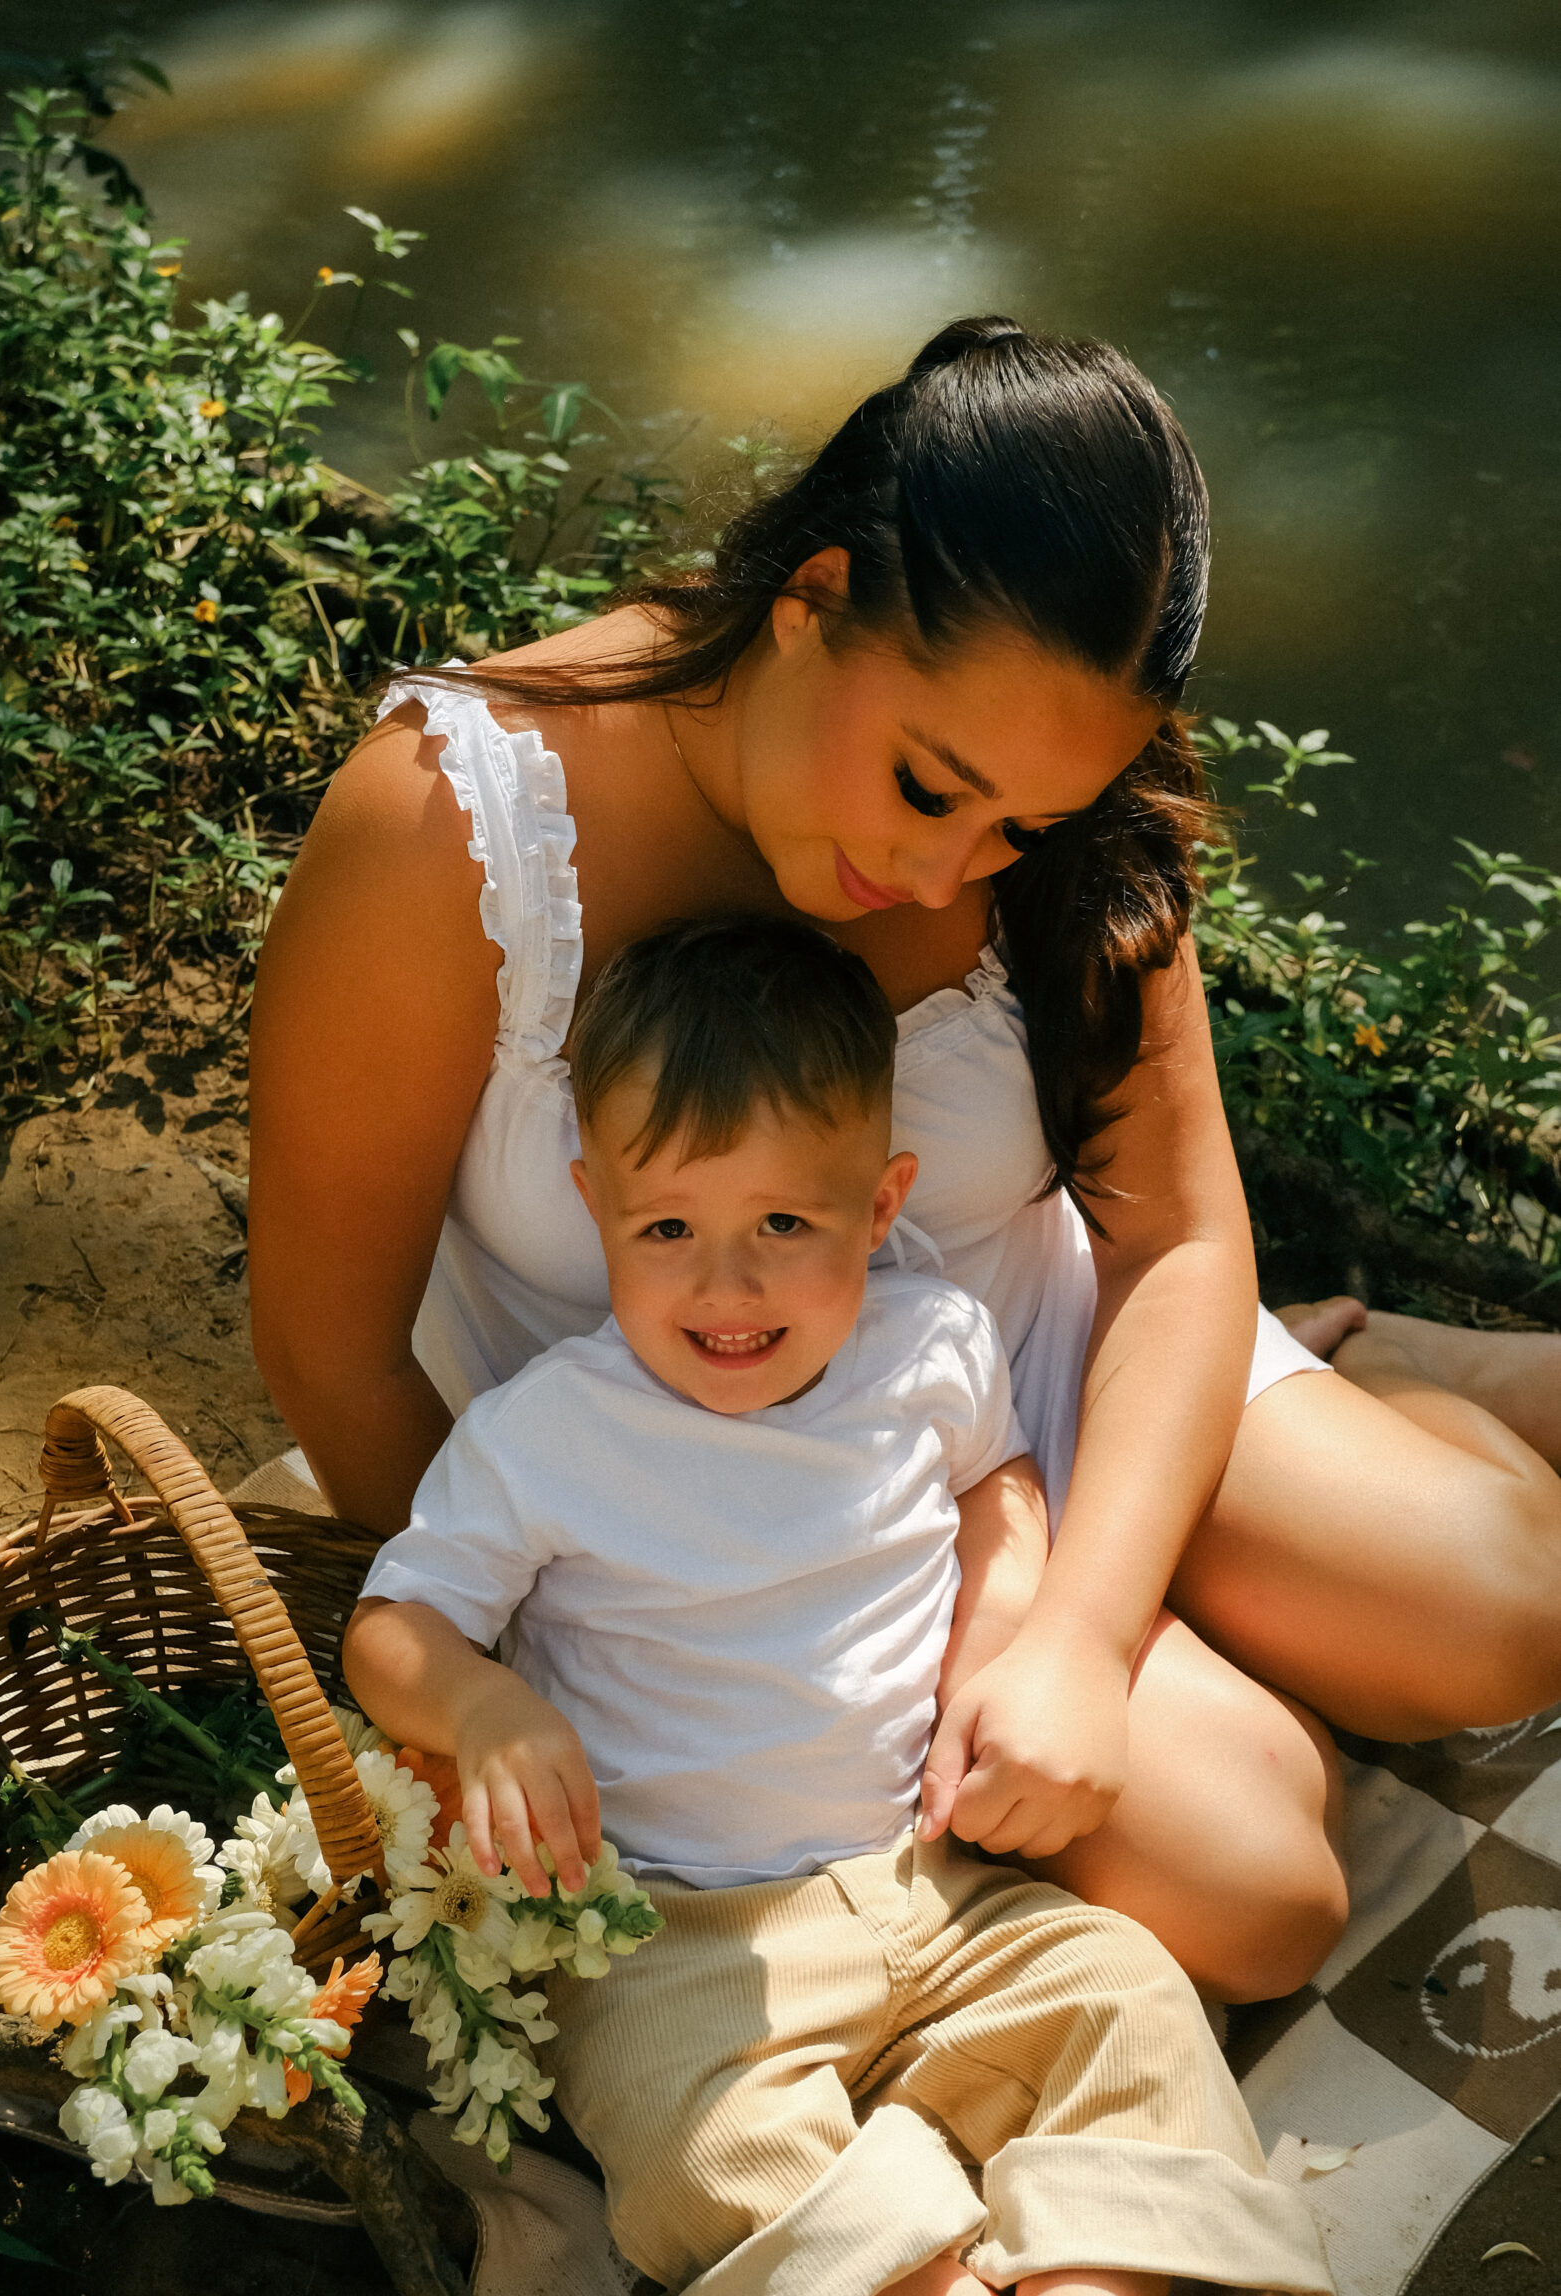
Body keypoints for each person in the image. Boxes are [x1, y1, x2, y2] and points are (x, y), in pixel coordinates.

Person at [248, 313, 1561, 2004]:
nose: (948, 875)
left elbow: (1171, 1240)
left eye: (1019, 829)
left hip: (1026, 1359)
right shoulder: (448, 828)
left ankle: (1349, 1380)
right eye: (931, 789)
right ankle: (1286, 1524)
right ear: (815, 598)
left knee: (1508, 1617)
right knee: (1260, 1887)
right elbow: (332, 1344)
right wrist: (538, 1662)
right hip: (675, 1473)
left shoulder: (1056, 788)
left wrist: (1074, 1635)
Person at [343, 916, 1334, 2296]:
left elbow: (1000, 1490)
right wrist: (485, 1701)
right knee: (703, 2158)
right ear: (593, 1206)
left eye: (786, 1226)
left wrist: (1000, 1636)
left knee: (1128, 1999)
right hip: (677, 1938)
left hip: (929, 1882)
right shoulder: (547, 1435)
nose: (726, 1288)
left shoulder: (928, 1348)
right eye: (668, 1227)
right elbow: (391, 1624)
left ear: (882, 1208)